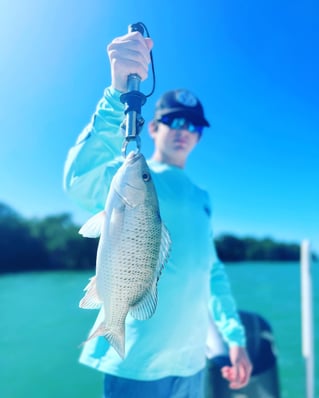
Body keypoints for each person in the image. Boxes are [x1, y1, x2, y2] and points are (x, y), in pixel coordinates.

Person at [63, 30, 252, 398]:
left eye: (193, 126)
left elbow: (210, 271)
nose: (184, 131)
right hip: (135, 363)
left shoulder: (201, 197)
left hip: (191, 364)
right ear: (153, 127)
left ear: (198, 137)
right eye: (174, 121)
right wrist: (117, 94)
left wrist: (235, 337)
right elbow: (79, 179)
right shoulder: (130, 173)